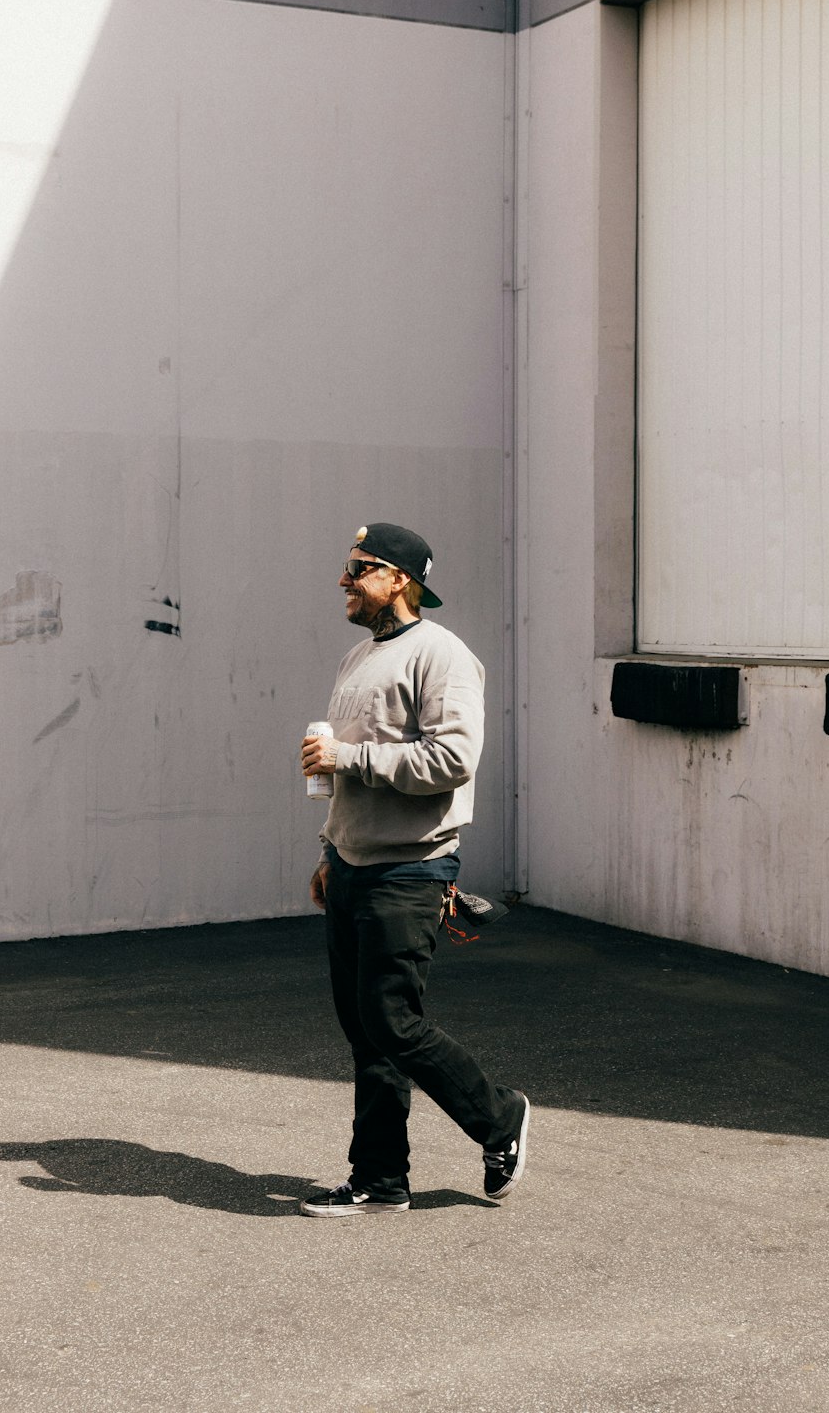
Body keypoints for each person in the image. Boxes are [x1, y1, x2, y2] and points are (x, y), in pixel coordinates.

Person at [298, 522, 528, 1218]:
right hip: (352, 865)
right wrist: (328, 848)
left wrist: (350, 761)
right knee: (366, 1032)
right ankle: (379, 1181)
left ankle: (499, 1118)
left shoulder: (443, 656)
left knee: (393, 1022)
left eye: (358, 567)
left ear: (399, 578)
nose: (344, 579)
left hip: (410, 871)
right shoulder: (357, 658)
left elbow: (452, 761)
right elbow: (346, 766)